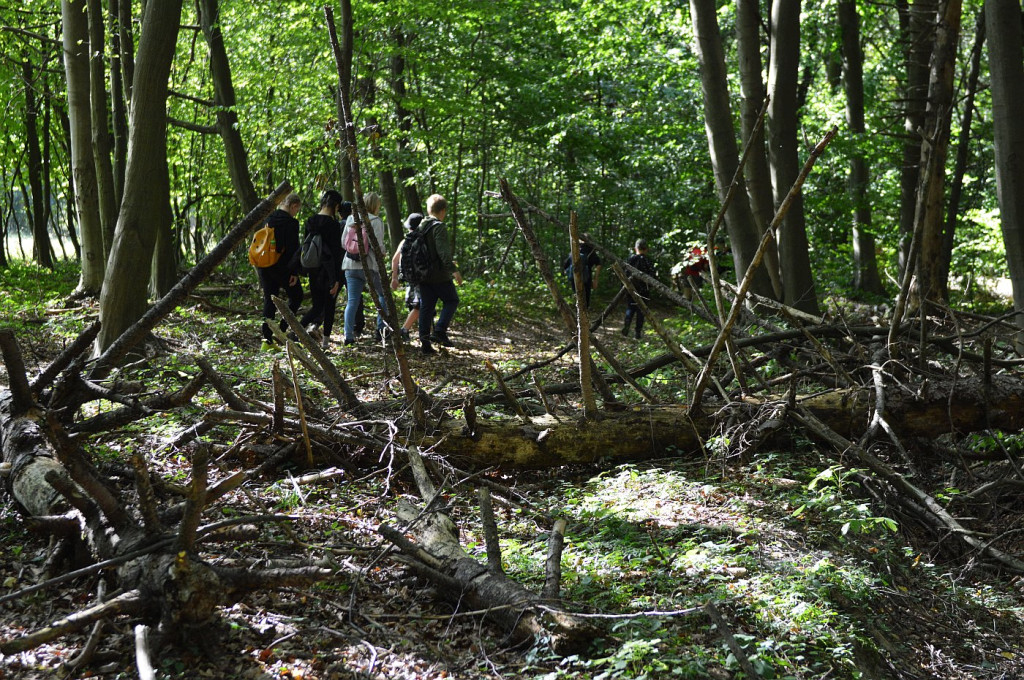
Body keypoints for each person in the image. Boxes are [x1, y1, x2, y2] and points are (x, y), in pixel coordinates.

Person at [298, 190, 345, 348]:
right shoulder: (333, 225)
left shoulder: (310, 221)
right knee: (329, 306)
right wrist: (337, 279)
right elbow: (336, 253)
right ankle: (325, 343)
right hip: (329, 271)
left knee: (317, 305)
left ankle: (295, 330)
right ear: (336, 206)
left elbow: (305, 246)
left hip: (313, 268)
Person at [417, 194, 462, 355]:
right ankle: (440, 330)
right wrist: (454, 270)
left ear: (429, 209)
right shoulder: (438, 226)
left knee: (426, 307)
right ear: (443, 210)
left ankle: (425, 345)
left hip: (422, 274)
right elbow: (443, 252)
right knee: (452, 300)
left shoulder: (420, 225)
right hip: (438, 275)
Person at [258, 193, 303, 350]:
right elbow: (293, 250)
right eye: (297, 209)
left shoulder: (269, 218)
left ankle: (267, 340)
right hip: (282, 266)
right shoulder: (291, 223)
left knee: (269, 299)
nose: (296, 212)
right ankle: (281, 332)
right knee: (297, 296)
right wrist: (294, 273)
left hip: (264, 265)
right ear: (293, 206)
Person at [342, 192, 388, 345]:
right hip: (369, 267)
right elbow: (377, 246)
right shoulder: (375, 221)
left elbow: (343, 243)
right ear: (375, 205)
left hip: (350, 265)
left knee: (352, 301)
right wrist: (383, 252)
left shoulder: (350, 218)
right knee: (383, 295)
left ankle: (348, 336)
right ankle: (381, 330)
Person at [390, 212, 424, 342]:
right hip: (421, 280)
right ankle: (404, 330)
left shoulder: (405, 241)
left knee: (417, 307)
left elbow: (394, 260)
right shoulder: (422, 241)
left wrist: (394, 278)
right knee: (420, 306)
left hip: (409, 279)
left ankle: (421, 334)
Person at [622, 239, 657, 339]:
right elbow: (652, 275)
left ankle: (627, 326)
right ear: (646, 249)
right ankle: (637, 333)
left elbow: (625, 273)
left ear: (635, 248)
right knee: (641, 311)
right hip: (644, 290)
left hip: (631, 288)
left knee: (630, 308)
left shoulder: (630, 259)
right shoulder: (648, 261)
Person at [562, 241, 601, 308]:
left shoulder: (574, 251)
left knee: (577, 298)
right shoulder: (591, 251)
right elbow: (598, 264)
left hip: (575, 279)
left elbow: (565, 266)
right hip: (587, 278)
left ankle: (579, 316)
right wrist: (595, 279)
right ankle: (584, 315)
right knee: (586, 300)